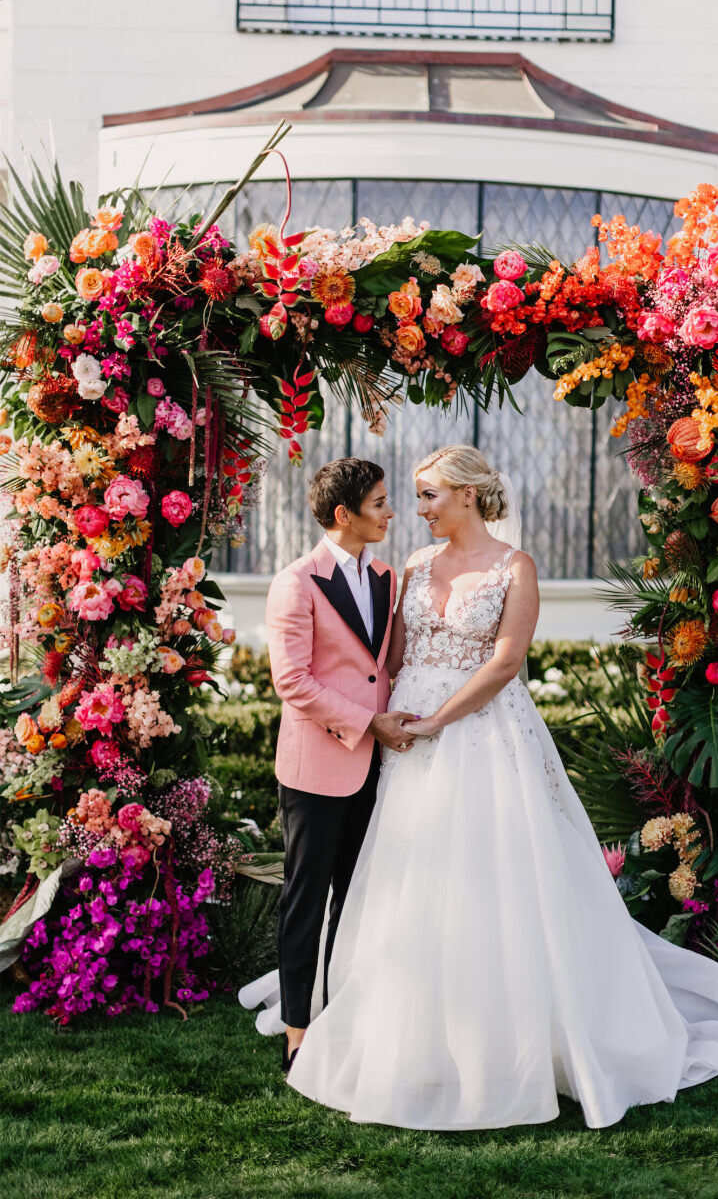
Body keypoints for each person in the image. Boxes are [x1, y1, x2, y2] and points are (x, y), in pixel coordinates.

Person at [245, 445, 718, 1130]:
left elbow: (506, 662)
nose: (415, 508)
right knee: (403, 879)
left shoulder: (516, 567)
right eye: (410, 497)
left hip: (480, 734)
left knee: (494, 878)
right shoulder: (411, 568)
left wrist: (435, 721)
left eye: (428, 495)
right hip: (402, 745)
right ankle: (388, 1020)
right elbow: (388, 658)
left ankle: (507, 1031)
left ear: (466, 495)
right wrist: (390, 723)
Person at [243, 458, 417, 1074]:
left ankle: (346, 1015)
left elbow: (380, 666)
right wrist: (369, 722)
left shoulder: (387, 576)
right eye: (379, 502)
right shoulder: (296, 582)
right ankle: (297, 1031)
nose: (391, 512)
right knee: (306, 900)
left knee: (359, 898)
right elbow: (292, 681)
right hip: (317, 766)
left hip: (378, 766)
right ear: (344, 514)